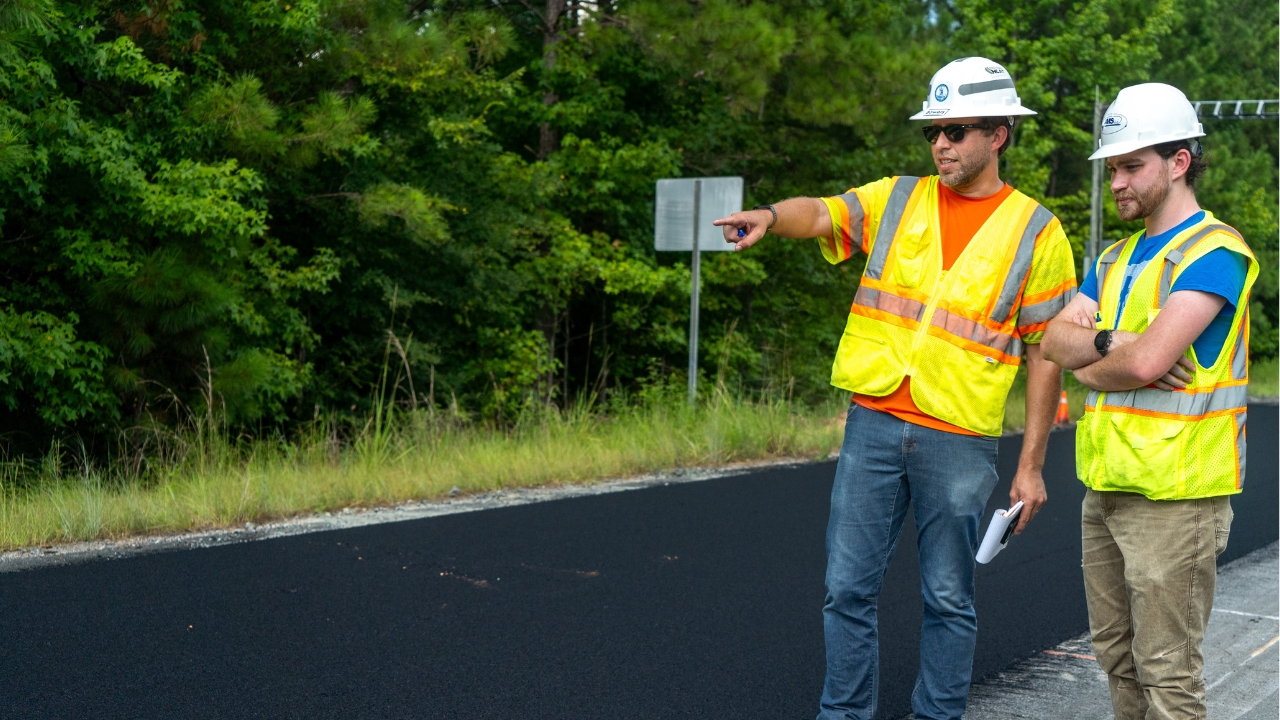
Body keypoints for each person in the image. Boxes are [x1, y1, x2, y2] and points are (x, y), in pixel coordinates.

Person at [713, 57, 1078, 720]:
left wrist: (1031, 468)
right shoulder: (898, 199)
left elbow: (1045, 352)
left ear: (997, 135)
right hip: (873, 426)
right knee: (844, 589)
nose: (940, 142)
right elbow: (823, 214)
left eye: (956, 130)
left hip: (960, 438)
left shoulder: (1038, 231)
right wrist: (770, 215)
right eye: (933, 131)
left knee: (947, 596)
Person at [1041, 83, 1258, 720]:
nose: (1118, 183)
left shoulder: (1214, 253)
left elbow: (1142, 363)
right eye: (1113, 169)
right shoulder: (1113, 259)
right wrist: (1108, 340)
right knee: (1116, 656)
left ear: (1179, 161)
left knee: (1167, 674)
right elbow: (1054, 340)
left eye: (1133, 165)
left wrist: (1098, 365)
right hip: (1107, 486)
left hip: (1177, 498)